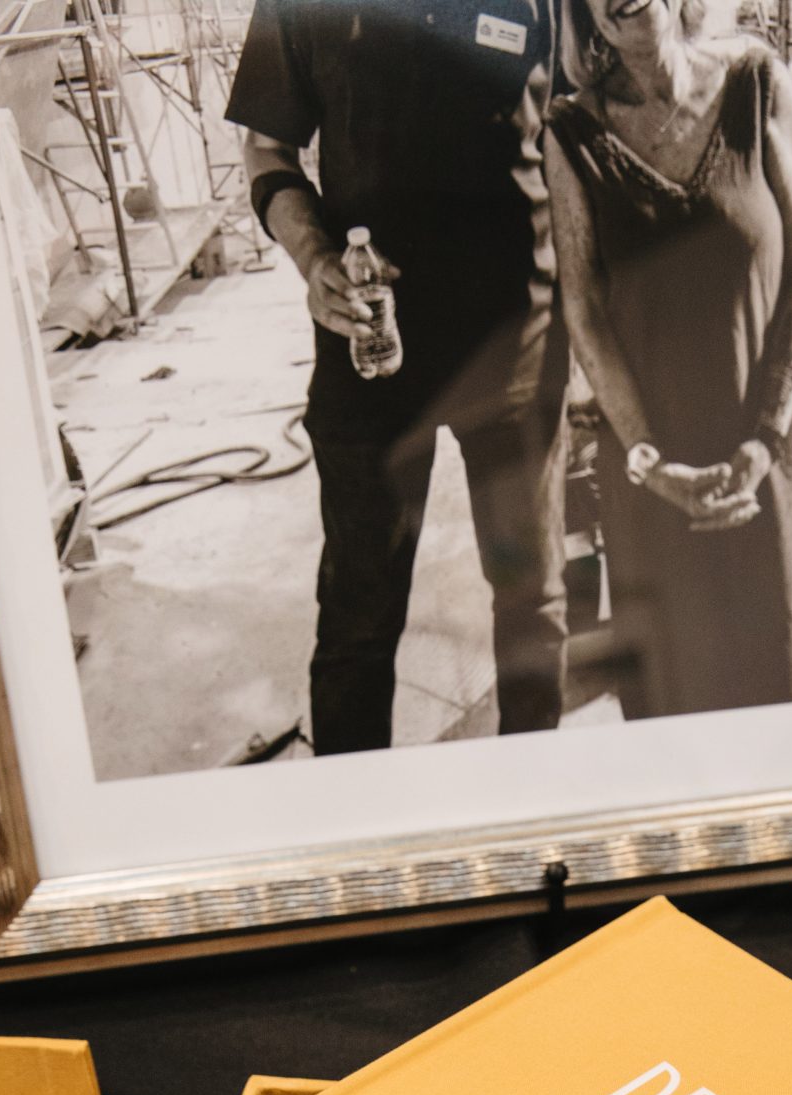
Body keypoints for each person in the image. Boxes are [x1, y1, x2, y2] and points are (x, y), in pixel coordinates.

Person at [227, 0, 570, 755]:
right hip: (367, 345)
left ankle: (536, 796)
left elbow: (584, 136)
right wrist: (315, 259)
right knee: (359, 615)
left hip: (517, 343)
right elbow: (267, 146)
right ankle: (358, 815)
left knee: (532, 602)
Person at [543, 0, 792, 721]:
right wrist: (651, 461)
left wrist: (764, 440)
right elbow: (584, 312)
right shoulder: (570, 132)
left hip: (772, 447)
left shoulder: (757, 83)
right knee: (682, 701)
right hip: (658, 471)